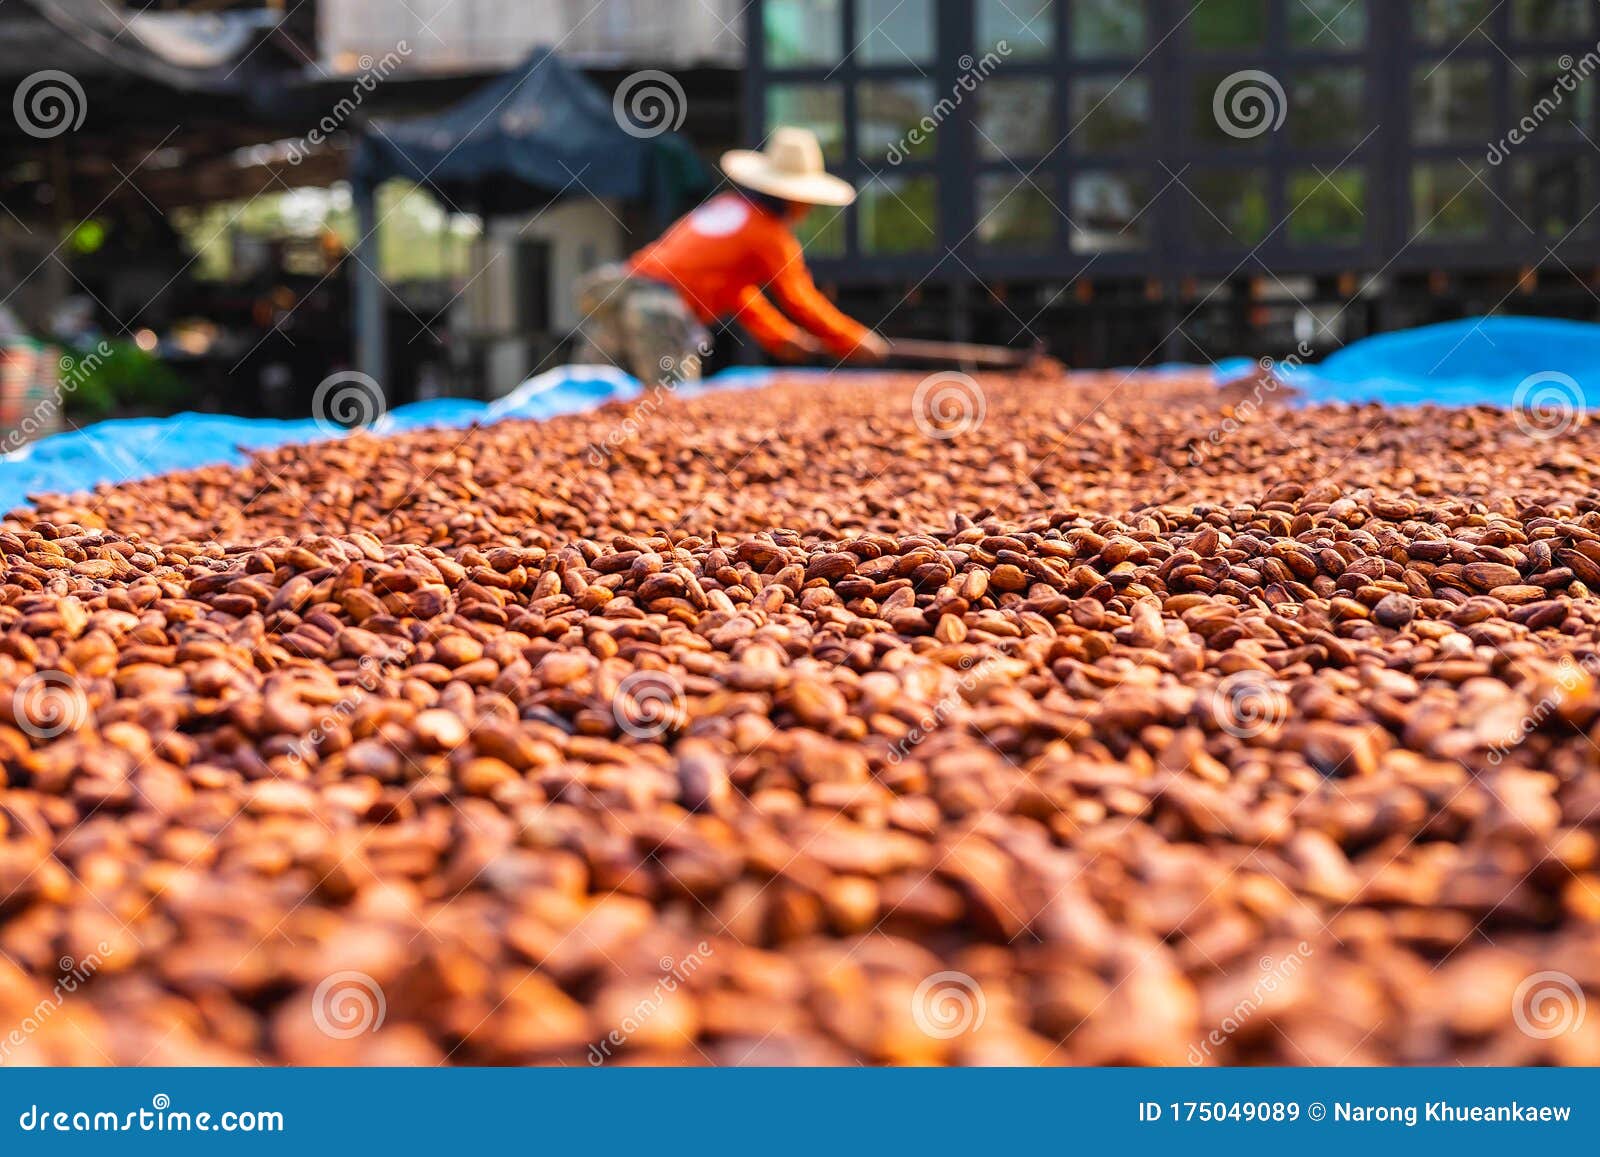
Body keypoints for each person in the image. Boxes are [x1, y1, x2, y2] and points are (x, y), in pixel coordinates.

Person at [574, 127, 890, 384]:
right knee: (671, 413)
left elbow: (738, 295)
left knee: (590, 398)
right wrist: (855, 340)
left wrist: (779, 337)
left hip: (621, 292)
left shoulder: (728, 206)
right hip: (660, 310)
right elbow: (800, 299)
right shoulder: (770, 235)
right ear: (796, 198)